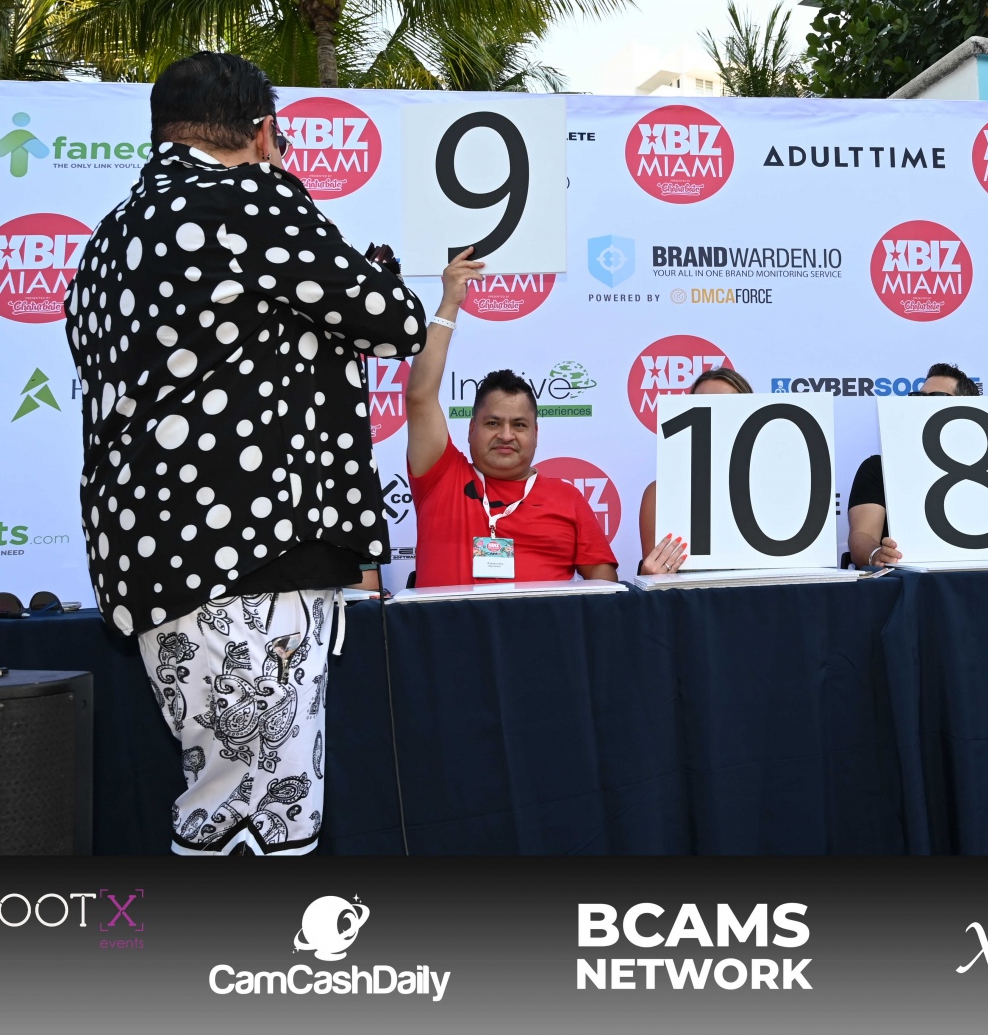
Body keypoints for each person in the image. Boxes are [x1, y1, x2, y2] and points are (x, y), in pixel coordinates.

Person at [66, 52, 428, 855]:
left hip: (154, 560)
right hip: (254, 551)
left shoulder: (107, 240)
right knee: (264, 808)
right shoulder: (251, 200)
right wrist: (292, 198)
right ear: (265, 133)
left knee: (222, 792)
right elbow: (393, 320)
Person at [405, 249, 617, 587]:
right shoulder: (440, 475)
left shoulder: (568, 499)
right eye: (493, 423)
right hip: (446, 623)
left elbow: (605, 590)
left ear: (535, 432)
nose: (506, 435)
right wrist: (450, 304)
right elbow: (420, 396)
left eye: (519, 425)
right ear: (471, 428)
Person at [849, 363, 980, 568]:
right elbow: (862, 535)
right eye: (918, 397)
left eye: (936, 398)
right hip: (908, 580)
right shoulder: (878, 468)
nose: (921, 404)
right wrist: (875, 554)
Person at [637, 367, 755, 574]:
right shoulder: (659, 495)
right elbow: (654, 581)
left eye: (726, 407)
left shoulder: (780, 490)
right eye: (701, 407)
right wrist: (650, 575)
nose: (712, 415)